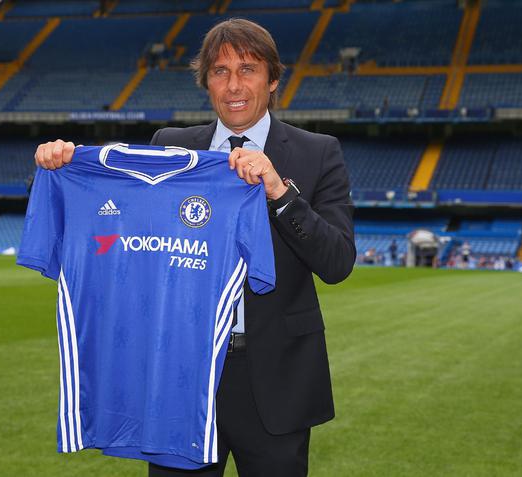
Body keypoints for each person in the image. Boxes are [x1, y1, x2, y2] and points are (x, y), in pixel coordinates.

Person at [34, 18, 355, 477]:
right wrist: (63, 165)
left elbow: (337, 262)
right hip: (178, 371)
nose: (234, 85)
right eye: (220, 71)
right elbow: (122, 223)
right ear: (206, 82)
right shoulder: (170, 146)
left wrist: (280, 193)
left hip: (274, 375)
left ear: (273, 80)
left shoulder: (317, 152)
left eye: (248, 69)